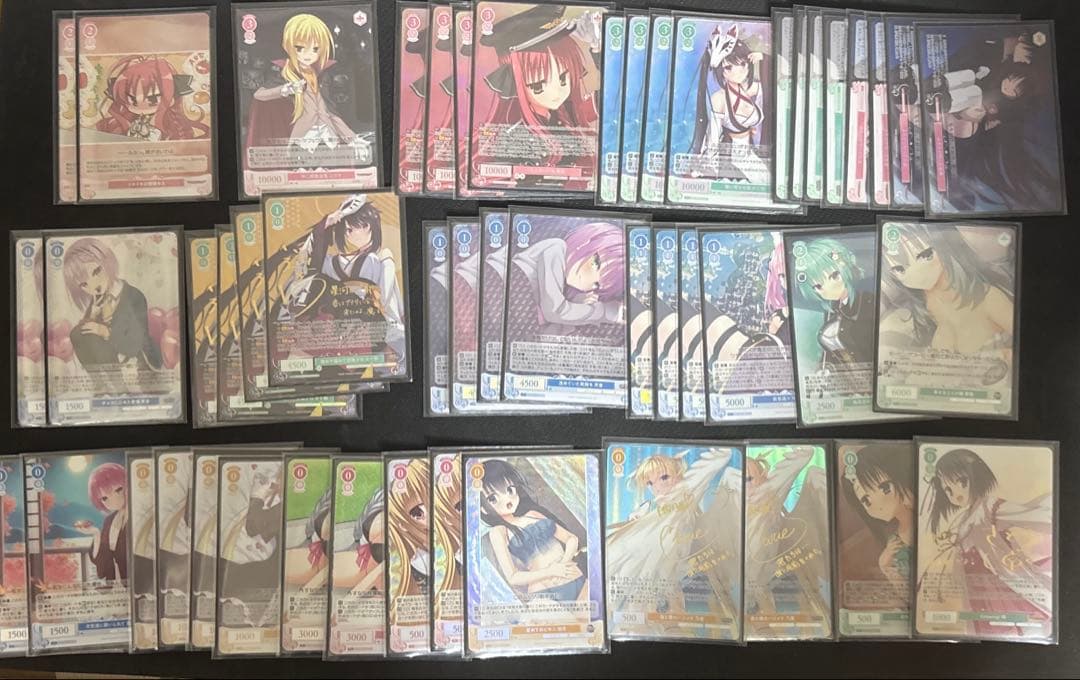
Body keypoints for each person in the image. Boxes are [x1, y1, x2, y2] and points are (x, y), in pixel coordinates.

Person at [479, 459, 585, 603]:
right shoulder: (499, 532)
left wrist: (563, 564)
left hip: (571, 574)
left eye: (509, 490)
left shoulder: (533, 514)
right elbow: (513, 577)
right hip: (543, 588)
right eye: (493, 498)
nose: (507, 499)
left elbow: (571, 538)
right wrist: (551, 572)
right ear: (484, 509)